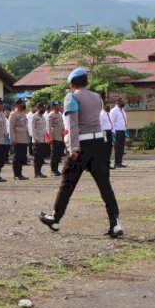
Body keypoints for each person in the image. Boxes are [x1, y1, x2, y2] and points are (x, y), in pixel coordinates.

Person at [39, 68, 123, 237]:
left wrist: (73, 149)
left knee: (68, 183)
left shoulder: (72, 97)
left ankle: (55, 218)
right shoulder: (97, 97)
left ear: (73, 83)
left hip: (81, 144)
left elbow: (72, 124)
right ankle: (115, 223)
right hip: (98, 143)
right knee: (105, 184)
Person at [9, 98, 29, 180]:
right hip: (17, 139)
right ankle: (16, 174)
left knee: (22, 157)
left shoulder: (23, 114)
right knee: (17, 157)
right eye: (21, 103)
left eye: (23, 103)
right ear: (17, 105)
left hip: (23, 139)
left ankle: (20, 173)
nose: (23, 104)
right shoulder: (13, 114)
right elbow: (11, 128)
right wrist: (13, 139)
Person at [31, 102, 49, 178]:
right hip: (37, 140)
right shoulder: (34, 117)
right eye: (43, 108)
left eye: (44, 108)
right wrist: (35, 139)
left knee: (41, 157)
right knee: (37, 157)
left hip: (43, 140)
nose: (44, 110)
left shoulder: (42, 117)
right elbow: (33, 129)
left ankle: (39, 172)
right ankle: (36, 173)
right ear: (38, 108)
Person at [47, 101, 65, 176]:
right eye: (58, 105)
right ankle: (53, 170)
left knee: (58, 154)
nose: (60, 106)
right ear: (53, 107)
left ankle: (56, 169)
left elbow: (62, 126)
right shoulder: (51, 115)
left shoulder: (60, 114)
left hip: (60, 137)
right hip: (55, 137)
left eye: (60, 105)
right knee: (54, 155)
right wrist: (50, 138)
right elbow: (49, 128)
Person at [110, 98, 128, 168]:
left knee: (121, 147)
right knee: (117, 148)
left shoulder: (122, 110)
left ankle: (120, 162)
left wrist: (125, 129)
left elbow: (124, 120)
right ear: (117, 102)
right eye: (121, 101)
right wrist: (113, 132)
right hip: (117, 132)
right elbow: (112, 122)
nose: (123, 102)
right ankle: (116, 163)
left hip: (123, 131)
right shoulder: (113, 111)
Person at [99, 103, 115, 170]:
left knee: (109, 148)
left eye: (110, 106)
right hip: (104, 133)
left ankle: (107, 163)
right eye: (108, 106)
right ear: (104, 106)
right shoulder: (101, 115)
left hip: (109, 132)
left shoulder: (108, 114)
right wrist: (103, 135)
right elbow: (100, 125)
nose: (109, 107)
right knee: (105, 148)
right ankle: (104, 164)